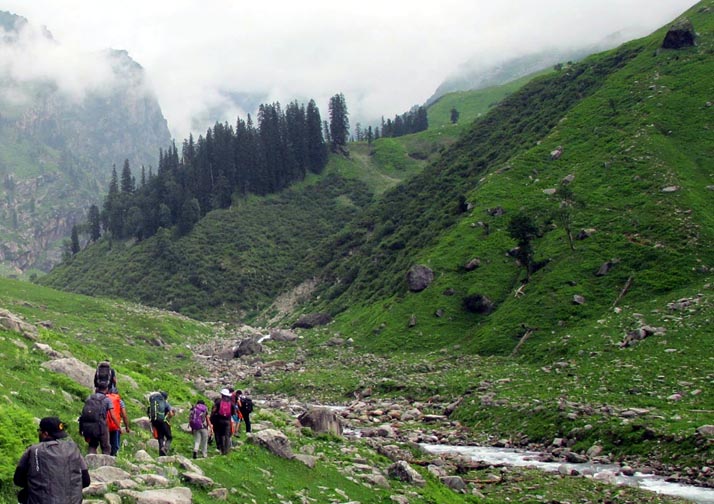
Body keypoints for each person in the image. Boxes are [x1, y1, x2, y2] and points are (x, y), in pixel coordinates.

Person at [14, 416, 90, 504]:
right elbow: (86, 481)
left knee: (22, 495)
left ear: (45, 433)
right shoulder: (73, 448)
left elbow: (18, 480)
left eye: (39, 431)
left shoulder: (33, 450)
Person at [79, 386, 118, 455]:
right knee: (106, 447)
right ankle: (106, 464)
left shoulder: (89, 398)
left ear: (97, 389)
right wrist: (118, 426)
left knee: (92, 445)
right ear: (106, 390)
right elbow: (112, 415)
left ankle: (90, 462)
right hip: (101, 426)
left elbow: (84, 412)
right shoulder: (107, 400)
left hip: (89, 426)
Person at [148, 391, 175, 456]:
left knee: (160, 437)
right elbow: (171, 414)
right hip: (163, 421)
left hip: (154, 421)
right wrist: (169, 417)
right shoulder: (165, 403)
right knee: (169, 437)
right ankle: (165, 448)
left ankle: (161, 454)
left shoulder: (153, 402)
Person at [210, 388, 236, 455]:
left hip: (219, 420)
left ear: (222, 394)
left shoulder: (218, 402)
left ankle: (222, 449)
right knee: (227, 435)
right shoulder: (231, 403)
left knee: (221, 435)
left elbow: (214, 411)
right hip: (227, 421)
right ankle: (226, 451)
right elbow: (234, 413)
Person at [106, 390, 131, 456]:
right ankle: (113, 457)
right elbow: (124, 415)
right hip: (115, 426)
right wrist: (127, 427)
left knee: (106, 445)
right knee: (115, 445)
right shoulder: (119, 401)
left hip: (104, 425)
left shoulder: (104, 399)